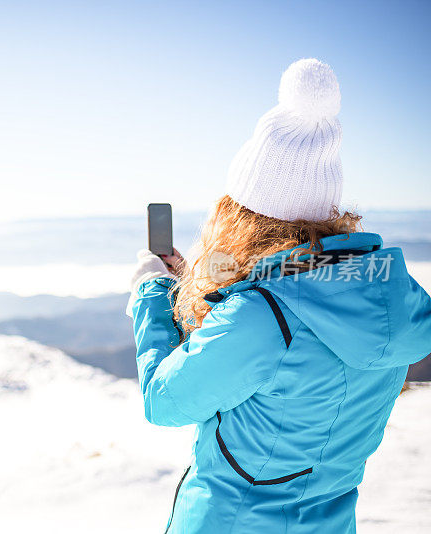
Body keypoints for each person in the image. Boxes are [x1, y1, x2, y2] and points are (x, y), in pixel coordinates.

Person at [127, 58, 431, 533]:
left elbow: (165, 402)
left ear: (247, 214)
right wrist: (201, 292)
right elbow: (291, 365)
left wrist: (150, 295)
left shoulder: (261, 316)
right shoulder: (387, 300)